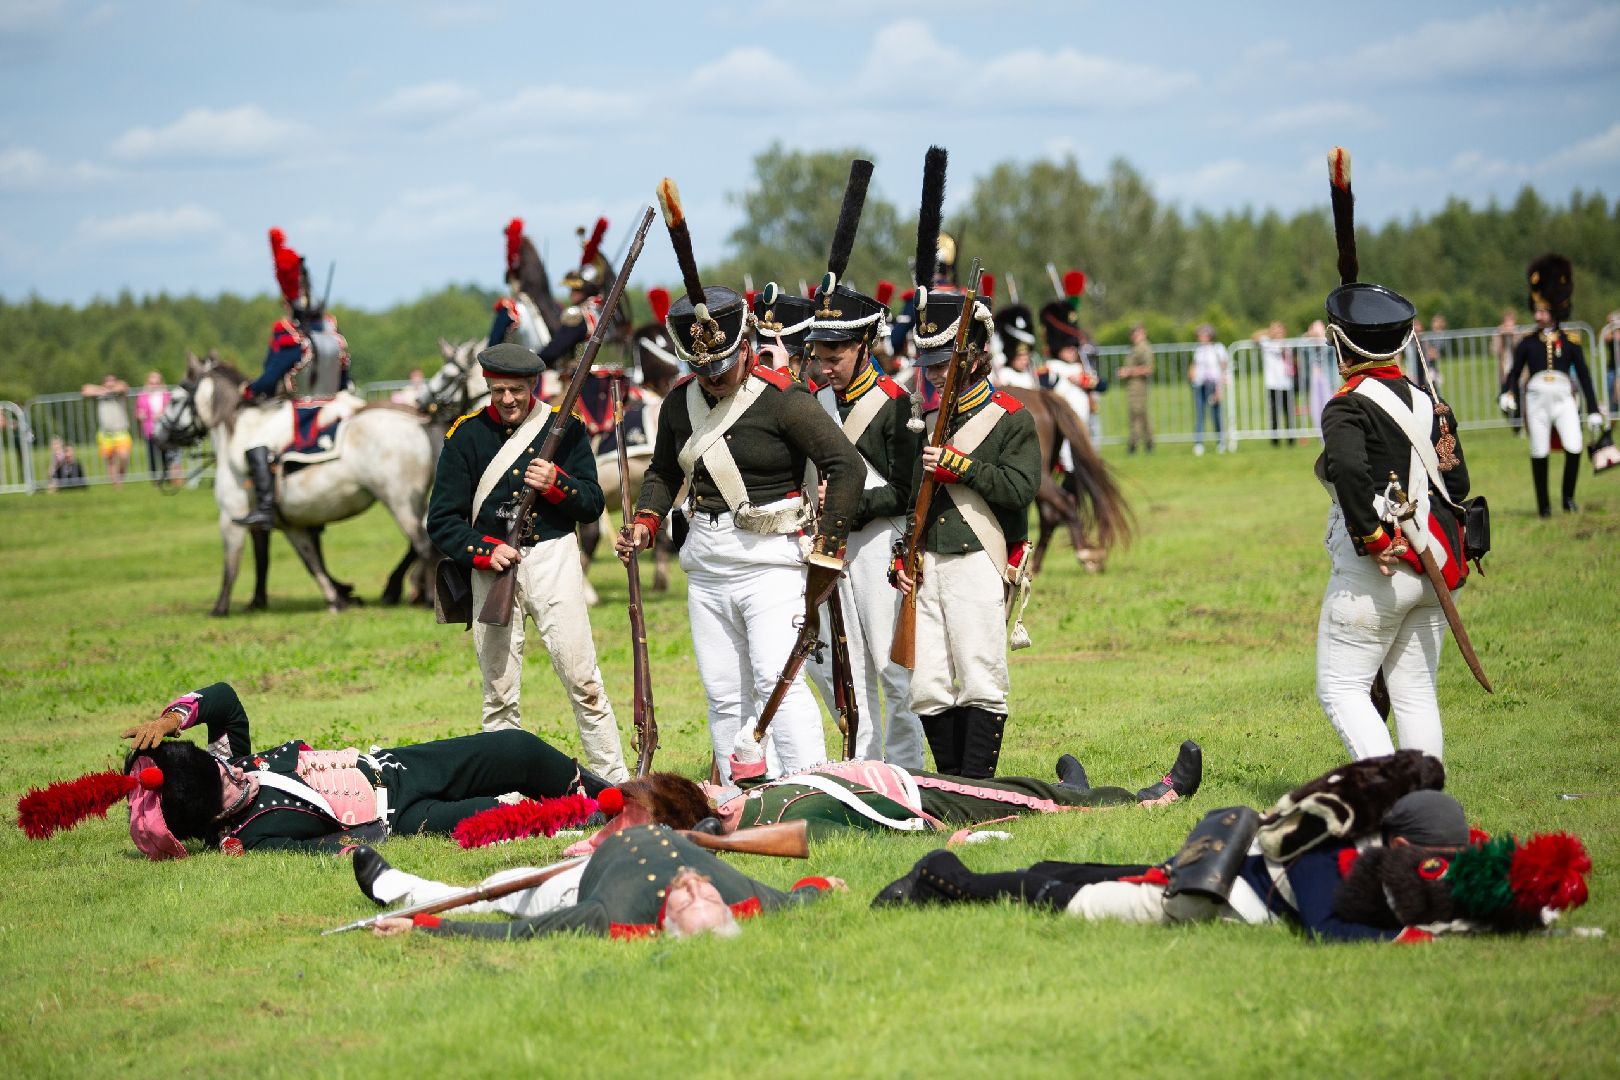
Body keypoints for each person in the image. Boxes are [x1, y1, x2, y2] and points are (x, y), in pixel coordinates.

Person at [617, 178, 864, 780]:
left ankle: (805, 788)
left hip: (770, 559)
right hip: (705, 561)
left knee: (778, 684)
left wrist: (829, 546)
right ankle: (739, 795)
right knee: (725, 694)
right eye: (702, 367)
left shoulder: (783, 400)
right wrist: (646, 521)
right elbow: (663, 471)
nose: (713, 377)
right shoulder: (680, 404)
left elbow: (845, 466)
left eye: (721, 366)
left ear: (745, 346)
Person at [873, 751, 1592, 943]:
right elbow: (1326, 923)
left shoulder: (1412, 864)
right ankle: (945, 874)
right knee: (1068, 893)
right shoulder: (1331, 851)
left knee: (1075, 872)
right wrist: (1410, 938)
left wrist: (1537, 914)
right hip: (1209, 891)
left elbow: (1464, 902)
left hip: (1215, 881)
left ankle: (941, 881)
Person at [19, 682, 608, 858]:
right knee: (507, 816)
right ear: (207, 815)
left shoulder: (229, 761)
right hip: (404, 818)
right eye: (223, 785)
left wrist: (174, 718)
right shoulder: (245, 839)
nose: (235, 775)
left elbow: (224, 699)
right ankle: (604, 818)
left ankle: (621, 797)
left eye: (220, 768)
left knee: (516, 748)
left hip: (399, 766)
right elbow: (327, 849)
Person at [1315, 147, 1470, 762]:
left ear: (1341, 344)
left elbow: (1350, 470)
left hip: (1378, 567)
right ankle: (1427, 806)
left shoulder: (1346, 406)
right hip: (1432, 563)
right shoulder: (1430, 402)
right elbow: (1457, 479)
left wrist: (1376, 538)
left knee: (1341, 689)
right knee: (1417, 696)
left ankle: (1386, 800)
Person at [426, 342, 628, 782]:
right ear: (487, 385)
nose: (507, 399)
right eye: (499, 390)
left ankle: (614, 781)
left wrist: (556, 483)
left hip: (553, 557)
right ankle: (506, 791)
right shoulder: (466, 435)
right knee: (498, 694)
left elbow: (592, 504)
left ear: (532, 385)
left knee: (584, 681)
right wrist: (485, 550)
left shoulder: (565, 428)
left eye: (516, 390)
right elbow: (441, 520)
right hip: (492, 567)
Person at [892, 264, 1041, 778]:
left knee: (980, 678)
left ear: (975, 357)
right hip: (927, 565)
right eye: (929, 364)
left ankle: (977, 790)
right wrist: (902, 557)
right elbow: (912, 499)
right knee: (929, 685)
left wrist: (961, 466)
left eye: (944, 363)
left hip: (979, 557)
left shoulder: (1011, 417)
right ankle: (953, 786)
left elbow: (1020, 489)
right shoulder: (927, 420)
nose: (934, 374)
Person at [363, 825, 842, 941]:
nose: (695, 886)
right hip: (629, 841)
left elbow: (516, 934)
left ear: (667, 922)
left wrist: (424, 925)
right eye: (706, 895)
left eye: (687, 900)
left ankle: (396, 889)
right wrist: (823, 883)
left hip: (575, 885)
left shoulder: (610, 916)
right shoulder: (745, 898)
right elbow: (799, 898)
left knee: (499, 889)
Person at [235, 228, 356, 529]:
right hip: (341, 402)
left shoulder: (288, 332)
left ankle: (265, 509)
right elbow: (344, 376)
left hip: (305, 407)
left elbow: (271, 377)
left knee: (256, 442)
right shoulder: (332, 330)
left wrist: (249, 390)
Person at [1499, 254, 1603, 516]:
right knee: (1539, 450)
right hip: (1536, 401)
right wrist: (1507, 392)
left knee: (1574, 445)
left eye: (1543, 310)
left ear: (1555, 312)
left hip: (1564, 399)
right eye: (1536, 310)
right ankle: (1543, 506)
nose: (1538, 315)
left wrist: (1593, 409)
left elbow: (1584, 376)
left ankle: (1568, 498)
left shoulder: (1571, 342)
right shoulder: (1528, 342)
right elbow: (1514, 372)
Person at [80, 374, 131, 485]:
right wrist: (101, 390)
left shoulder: (119, 392)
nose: (110, 383)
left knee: (124, 456)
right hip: (105, 433)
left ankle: (120, 478)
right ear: (103, 383)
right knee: (110, 460)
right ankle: (116, 485)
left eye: (112, 380)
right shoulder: (100, 392)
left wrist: (108, 391)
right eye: (107, 381)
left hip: (120, 431)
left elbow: (123, 386)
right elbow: (85, 390)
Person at [1188, 324, 1228, 455]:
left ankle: (1220, 442)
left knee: (1216, 415)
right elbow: (1194, 365)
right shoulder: (1198, 349)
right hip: (1200, 384)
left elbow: (1223, 367)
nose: (1200, 337)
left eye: (1202, 334)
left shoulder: (1218, 348)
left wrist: (1219, 389)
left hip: (1214, 384)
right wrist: (1191, 373)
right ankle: (1198, 443)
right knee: (1200, 414)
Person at [1118, 324, 1154, 453]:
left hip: (1138, 386)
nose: (1134, 335)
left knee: (1136, 414)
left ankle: (1133, 444)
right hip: (1133, 385)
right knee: (1140, 414)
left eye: (1137, 333)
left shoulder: (1144, 348)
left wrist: (1128, 372)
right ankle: (1148, 442)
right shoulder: (1136, 348)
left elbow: (1148, 369)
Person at [1260, 321, 1295, 446]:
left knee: (1288, 412)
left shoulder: (1288, 344)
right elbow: (1254, 337)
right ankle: (1275, 440)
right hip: (1272, 383)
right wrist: (1270, 332)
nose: (1278, 332)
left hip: (1287, 383)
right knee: (1274, 412)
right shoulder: (1266, 342)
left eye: (1280, 329)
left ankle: (1291, 439)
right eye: (1276, 329)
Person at [133, 371, 170, 480]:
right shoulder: (142, 395)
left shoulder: (165, 394)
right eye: (152, 383)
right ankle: (154, 477)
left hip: (163, 427)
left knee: (164, 452)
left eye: (156, 383)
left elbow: (169, 408)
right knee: (151, 453)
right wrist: (140, 415)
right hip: (149, 427)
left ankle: (166, 475)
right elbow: (138, 410)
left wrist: (161, 414)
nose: (154, 385)